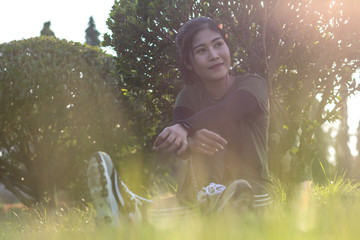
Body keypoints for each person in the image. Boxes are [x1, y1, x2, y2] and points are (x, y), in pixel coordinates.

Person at [86, 17, 272, 226]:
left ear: (227, 47)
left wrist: (187, 128)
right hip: (201, 191)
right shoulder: (187, 96)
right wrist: (190, 141)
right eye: (202, 50)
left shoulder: (254, 84)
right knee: (193, 203)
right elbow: (180, 146)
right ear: (188, 61)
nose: (214, 55)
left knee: (222, 198)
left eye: (218, 44)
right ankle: (127, 209)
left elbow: (231, 109)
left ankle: (131, 213)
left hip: (251, 189)